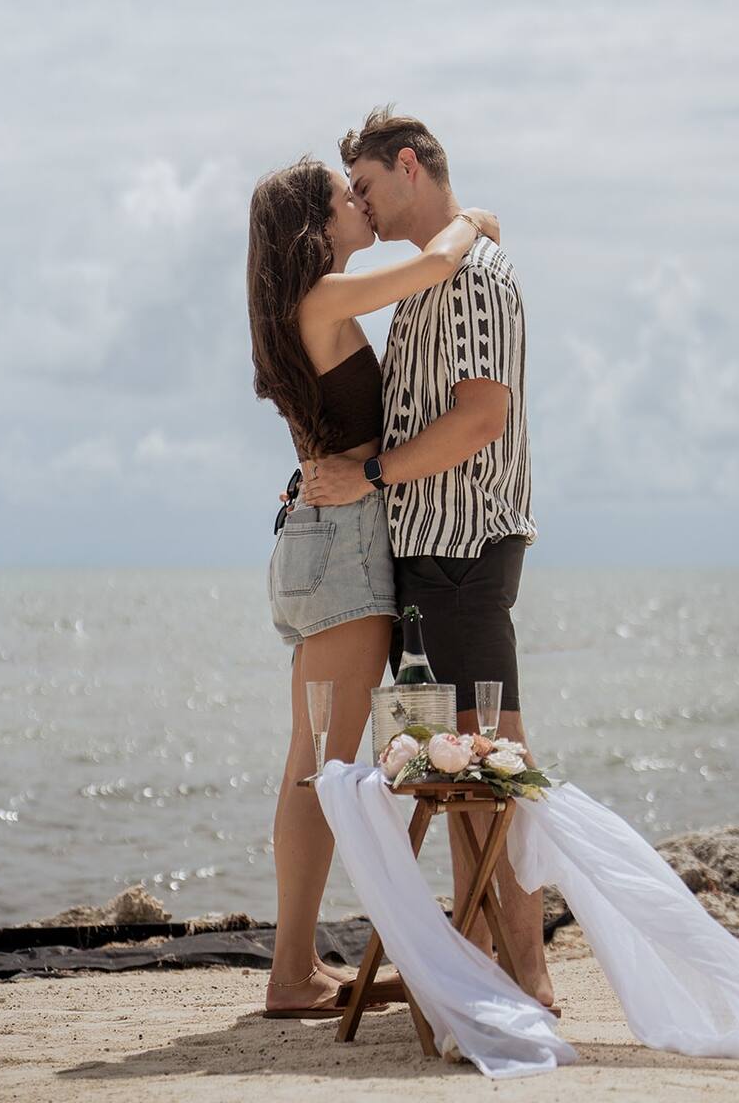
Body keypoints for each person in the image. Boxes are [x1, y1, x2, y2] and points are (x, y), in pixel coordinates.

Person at [299, 108, 554, 1009]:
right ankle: (481, 959)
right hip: (436, 557)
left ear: (410, 167)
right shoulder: (424, 279)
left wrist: (370, 473)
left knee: (494, 774)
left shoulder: (475, 276)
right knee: (468, 774)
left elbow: (481, 418)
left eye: (365, 186)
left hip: (461, 552)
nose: (360, 208)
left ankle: (528, 973)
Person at [246, 155, 498, 1018]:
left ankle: (297, 966)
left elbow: (344, 433)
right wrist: (475, 221)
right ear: (316, 229)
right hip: (343, 550)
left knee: (313, 763)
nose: (361, 203)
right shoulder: (319, 298)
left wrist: (354, 462)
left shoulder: (310, 304)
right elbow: (433, 267)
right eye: (345, 197)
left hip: (325, 542)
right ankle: (292, 975)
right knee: (319, 768)